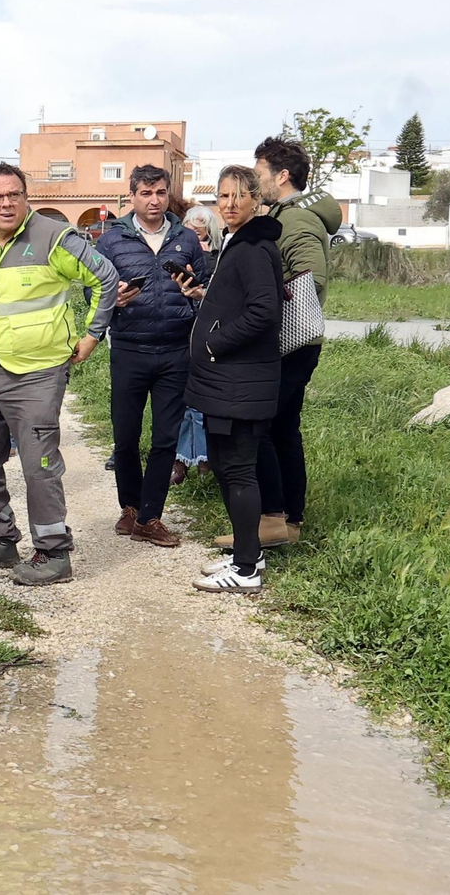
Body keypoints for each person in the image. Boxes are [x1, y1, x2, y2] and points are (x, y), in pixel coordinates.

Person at [0, 163, 120, 587]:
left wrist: (93, 335)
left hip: (39, 374)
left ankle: (54, 552)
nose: (6, 203)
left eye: (14, 195)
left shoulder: (53, 236)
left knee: (39, 466)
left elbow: (106, 277)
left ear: (26, 197)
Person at [212, 137, 342, 551]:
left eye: (260, 174)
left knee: (263, 427)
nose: (256, 181)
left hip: (290, 341)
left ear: (281, 176)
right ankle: (290, 519)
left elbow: (311, 277)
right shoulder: (290, 214)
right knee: (285, 428)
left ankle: (271, 517)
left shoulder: (297, 220)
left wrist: (263, 299)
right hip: (298, 341)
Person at [178, 165, 283, 594]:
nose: (230, 204)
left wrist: (214, 343)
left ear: (256, 199)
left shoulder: (255, 246)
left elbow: (264, 312)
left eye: (240, 196)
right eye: (223, 197)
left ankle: (245, 572)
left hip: (242, 381)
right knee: (223, 464)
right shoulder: (238, 242)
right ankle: (248, 551)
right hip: (226, 383)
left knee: (238, 470)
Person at [94, 165, 207, 548]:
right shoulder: (111, 241)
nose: (154, 200)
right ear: (132, 197)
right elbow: (94, 292)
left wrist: (197, 294)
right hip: (129, 349)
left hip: (176, 350)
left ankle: (151, 516)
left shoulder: (187, 238)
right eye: (146, 193)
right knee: (125, 437)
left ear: (167, 194)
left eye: (160, 192)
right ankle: (129, 508)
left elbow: (206, 288)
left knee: (165, 439)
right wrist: (115, 299)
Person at [172, 205, 223, 485]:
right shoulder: (178, 250)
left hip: (208, 332)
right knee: (183, 400)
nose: (195, 227)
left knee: (200, 403)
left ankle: (203, 459)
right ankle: (181, 459)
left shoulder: (219, 254)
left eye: (200, 223)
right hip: (180, 329)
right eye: (190, 222)